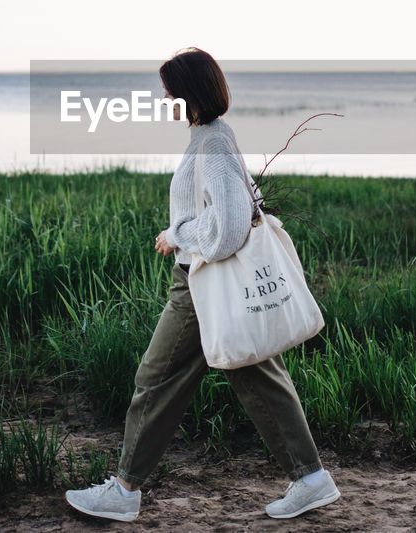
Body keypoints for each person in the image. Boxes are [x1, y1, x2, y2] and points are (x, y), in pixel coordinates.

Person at [64, 47, 340, 523]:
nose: (165, 101)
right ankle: (310, 478)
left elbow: (231, 224)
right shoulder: (212, 136)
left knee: (156, 378)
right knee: (254, 370)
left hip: (201, 282)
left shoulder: (211, 141)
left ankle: (124, 490)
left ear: (188, 94)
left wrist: (177, 235)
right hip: (205, 279)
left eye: (169, 93)